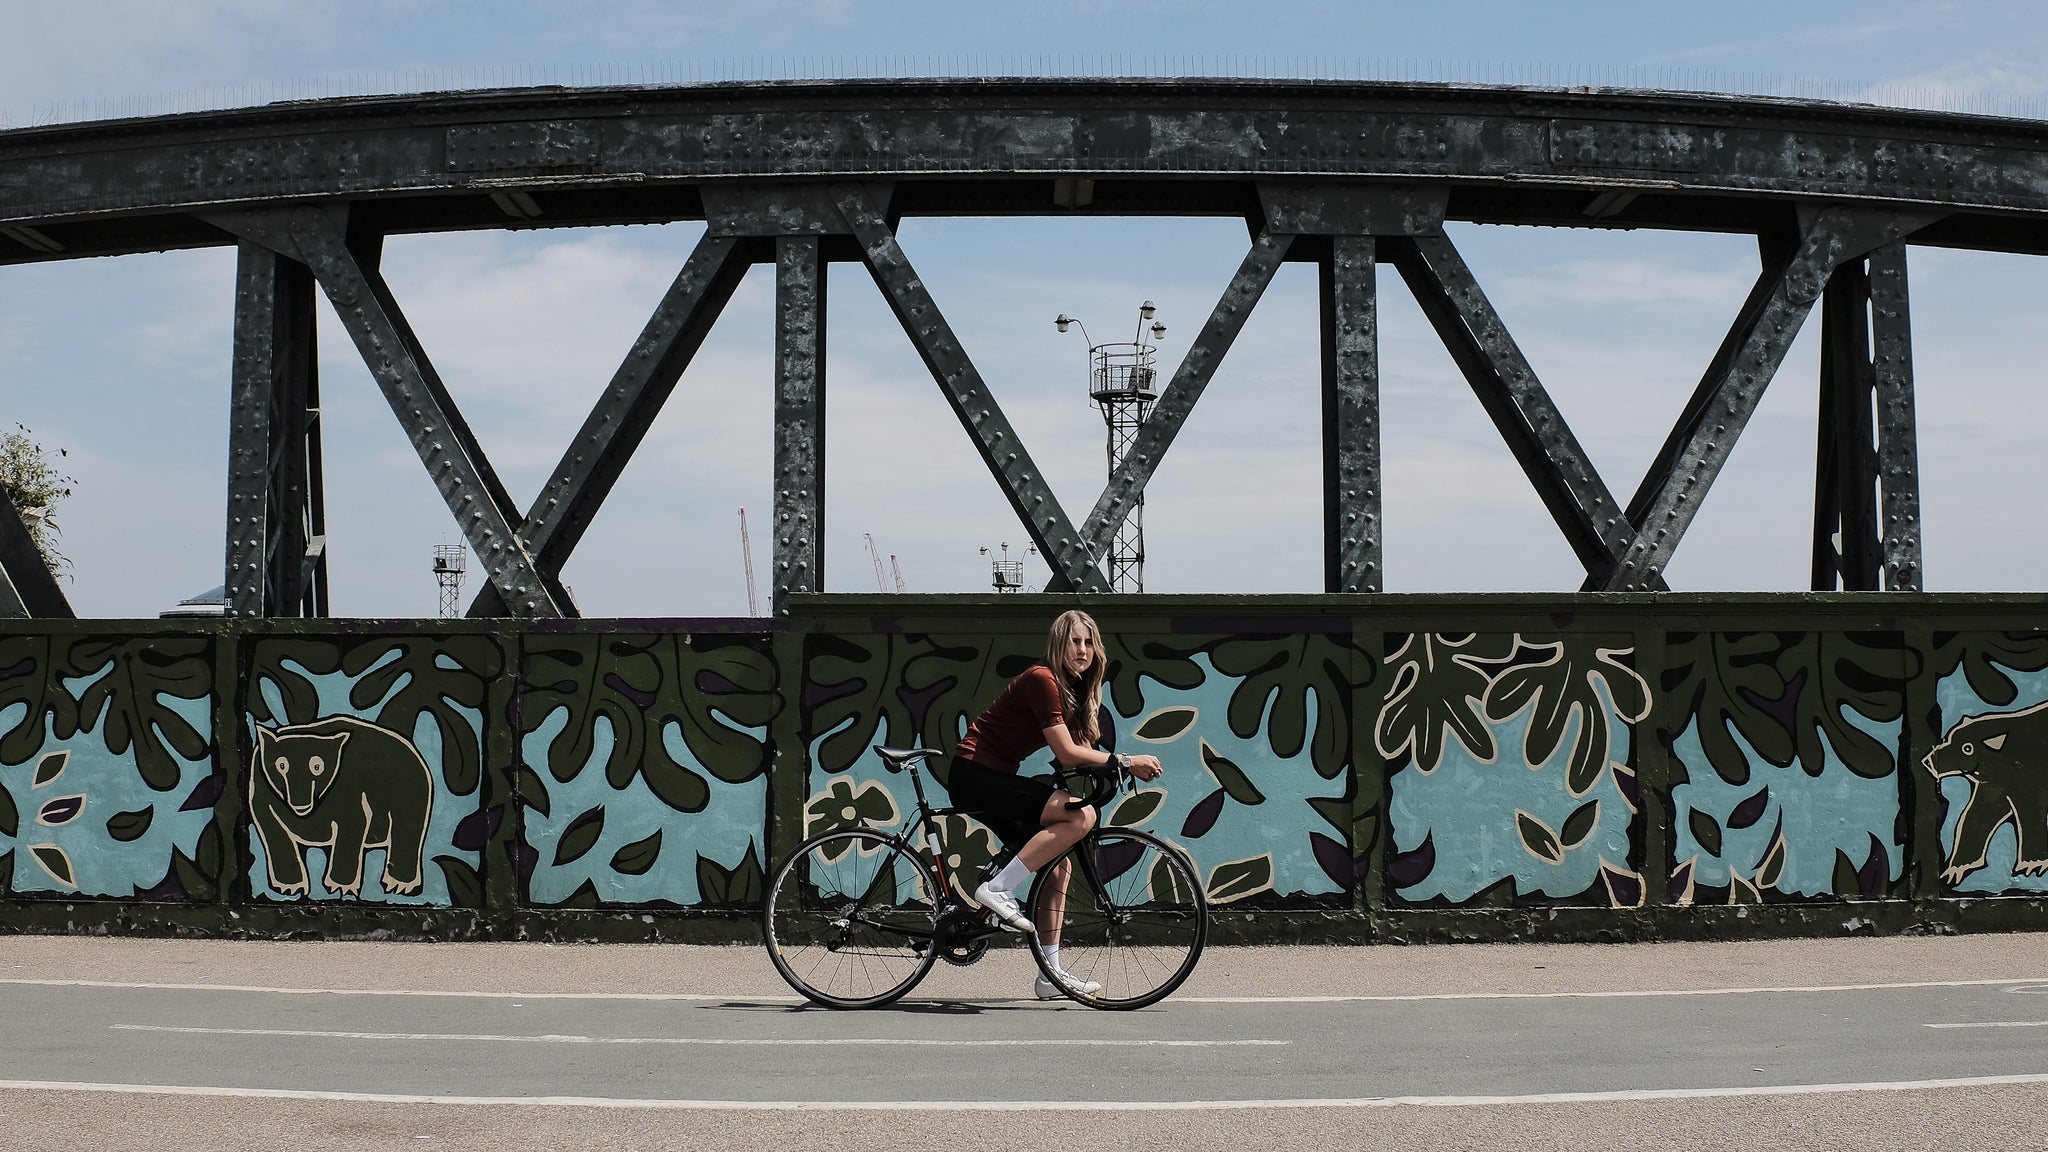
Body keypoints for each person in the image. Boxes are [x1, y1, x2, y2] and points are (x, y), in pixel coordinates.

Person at [948, 609, 1164, 999]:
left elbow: (1082, 750)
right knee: (1081, 815)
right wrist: (1126, 761)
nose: (1082, 650)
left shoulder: (1072, 688)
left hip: (994, 777)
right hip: (974, 775)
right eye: (1074, 641)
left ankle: (1050, 975)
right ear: (1058, 645)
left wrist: (1107, 764)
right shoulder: (1042, 679)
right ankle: (998, 887)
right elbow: (1067, 753)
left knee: (1058, 865)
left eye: (1088, 642)